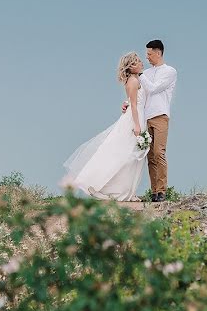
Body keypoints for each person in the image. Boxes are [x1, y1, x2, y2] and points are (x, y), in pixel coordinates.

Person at [61, 52, 150, 201]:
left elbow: (130, 102)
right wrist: (137, 126)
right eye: (137, 62)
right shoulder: (134, 81)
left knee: (128, 156)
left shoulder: (135, 79)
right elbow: (134, 105)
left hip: (135, 116)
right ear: (130, 67)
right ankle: (118, 189)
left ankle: (126, 190)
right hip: (135, 119)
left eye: (140, 61)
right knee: (127, 156)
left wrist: (126, 105)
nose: (141, 63)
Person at [123, 39, 177, 203]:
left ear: (158, 53)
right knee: (150, 156)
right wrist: (126, 103)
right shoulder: (146, 73)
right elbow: (139, 94)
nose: (147, 57)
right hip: (146, 117)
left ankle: (161, 191)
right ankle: (154, 192)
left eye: (149, 54)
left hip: (160, 115)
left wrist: (140, 75)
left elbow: (153, 88)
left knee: (159, 153)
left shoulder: (169, 72)